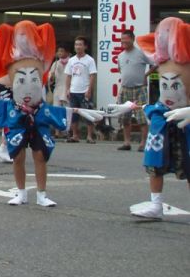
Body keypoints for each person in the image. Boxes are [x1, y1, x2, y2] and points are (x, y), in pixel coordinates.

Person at [0, 20, 104, 207]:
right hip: (16, 111)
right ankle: (21, 192)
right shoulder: (12, 64)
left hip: (39, 110)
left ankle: (42, 193)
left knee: (40, 155)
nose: (24, 39)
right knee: (17, 156)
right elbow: (1, 80)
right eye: (20, 35)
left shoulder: (41, 61)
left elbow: (42, 79)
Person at [108, 17, 190, 220]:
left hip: (185, 115)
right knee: (155, 163)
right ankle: (155, 204)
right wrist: (128, 106)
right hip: (163, 114)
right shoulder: (161, 61)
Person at [116, 30, 153, 152]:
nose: (123, 41)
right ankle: (127, 142)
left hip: (139, 89)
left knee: (141, 117)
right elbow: (122, 71)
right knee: (125, 117)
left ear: (132, 39)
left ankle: (143, 142)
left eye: (126, 39)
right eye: (122, 39)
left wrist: (145, 75)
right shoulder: (120, 56)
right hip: (125, 88)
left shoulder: (141, 53)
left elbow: (155, 64)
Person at [65, 36, 98, 143]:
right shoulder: (71, 60)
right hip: (73, 90)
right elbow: (68, 76)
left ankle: (89, 136)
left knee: (88, 113)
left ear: (85, 46)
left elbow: (93, 76)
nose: (78, 47)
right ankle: (75, 135)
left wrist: (89, 90)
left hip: (84, 91)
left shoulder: (90, 60)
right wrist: (67, 89)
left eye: (80, 44)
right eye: (76, 44)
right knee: (74, 114)